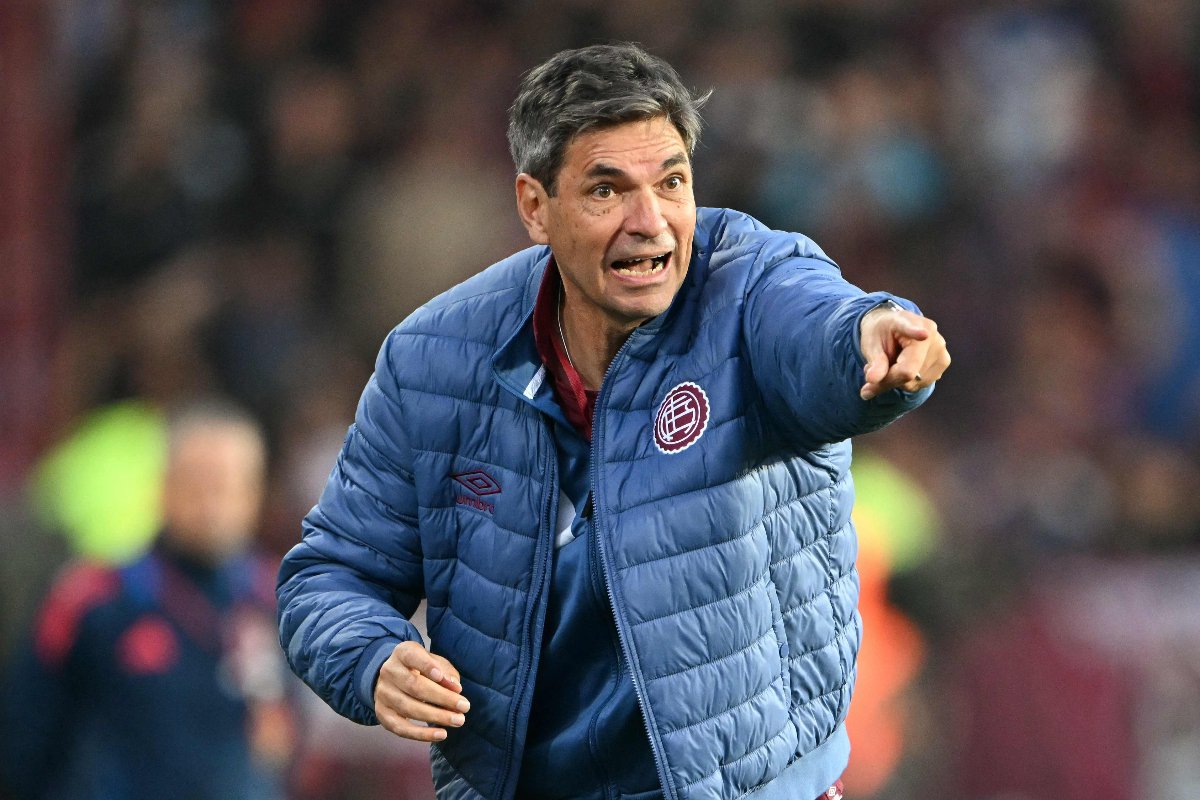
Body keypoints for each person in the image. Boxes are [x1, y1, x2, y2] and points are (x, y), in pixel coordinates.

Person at [276, 42, 950, 800]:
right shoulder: (432, 363)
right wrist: (371, 659)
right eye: (606, 190)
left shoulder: (748, 284)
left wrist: (873, 341)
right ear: (535, 207)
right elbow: (330, 575)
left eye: (672, 182)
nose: (651, 222)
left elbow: (819, 332)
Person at [1, 400, 294, 800]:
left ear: (254, 494)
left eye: (228, 484)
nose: (213, 502)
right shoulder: (94, 599)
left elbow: (283, 740)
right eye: (197, 481)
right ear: (164, 486)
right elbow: (25, 739)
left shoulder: (281, 602)